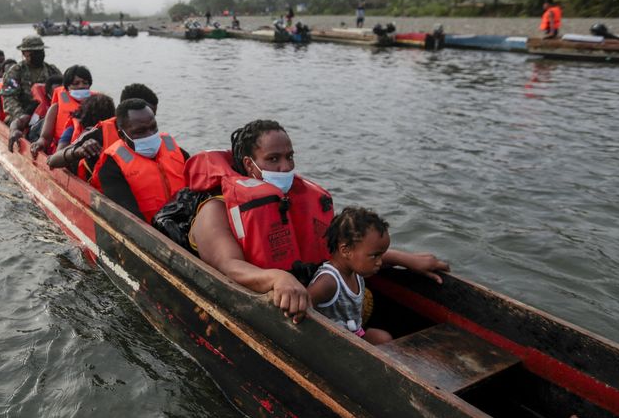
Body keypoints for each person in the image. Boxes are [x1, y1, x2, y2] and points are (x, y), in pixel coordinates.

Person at [186, 120, 449, 324]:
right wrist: (277, 278)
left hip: (309, 295)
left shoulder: (295, 199)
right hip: (263, 303)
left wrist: (405, 259)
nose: (285, 166)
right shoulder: (216, 209)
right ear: (249, 164)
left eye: (289, 157)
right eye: (273, 159)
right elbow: (227, 265)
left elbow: (340, 249)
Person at [91, 98, 188, 222]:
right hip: (153, 230)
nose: (150, 134)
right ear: (122, 135)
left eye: (153, 127)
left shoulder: (170, 145)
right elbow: (130, 218)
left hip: (189, 223)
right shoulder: (111, 165)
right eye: (140, 131)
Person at [308, 206, 394, 344]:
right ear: (346, 250)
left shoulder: (356, 273)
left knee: (383, 338)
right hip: (332, 343)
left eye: (382, 255)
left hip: (354, 335)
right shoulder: (328, 281)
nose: (380, 262)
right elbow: (302, 304)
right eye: (375, 256)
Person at [28, 65, 94, 157]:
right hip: (61, 152)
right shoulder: (56, 107)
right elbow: (45, 138)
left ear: (89, 85)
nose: (81, 86)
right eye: (76, 83)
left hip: (90, 151)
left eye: (85, 83)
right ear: (67, 87)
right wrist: (39, 144)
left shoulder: (97, 105)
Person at [47, 94, 116, 179]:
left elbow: (57, 154)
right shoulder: (75, 130)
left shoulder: (74, 129)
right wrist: (77, 151)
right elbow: (56, 156)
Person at [2, 35, 61, 126]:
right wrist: (22, 117)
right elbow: (9, 98)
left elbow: (64, 91)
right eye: (34, 52)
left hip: (49, 113)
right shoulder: (15, 71)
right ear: (24, 53)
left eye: (40, 51)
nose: (39, 55)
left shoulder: (52, 70)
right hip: (22, 114)